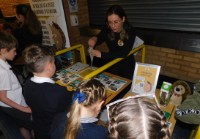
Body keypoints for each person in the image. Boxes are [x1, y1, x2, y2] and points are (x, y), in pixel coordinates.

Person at [23, 44, 72, 139]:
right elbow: (70, 109)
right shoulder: (58, 92)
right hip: (55, 131)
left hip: (39, 127)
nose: (55, 64)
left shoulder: (27, 84)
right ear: (49, 66)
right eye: (54, 62)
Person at [88, 5, 139, 80]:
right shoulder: (107, 28)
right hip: (113, 62)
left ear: (123, 19)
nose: (113, 26)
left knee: (126, 87)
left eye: (116, 22)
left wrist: (101, 54)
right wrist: (94, 39)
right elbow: (100, 36)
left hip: (127, 64)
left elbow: (124, 53)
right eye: (110, 22)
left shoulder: (130, 30)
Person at [0, 31, 33, 139]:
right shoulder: (3, 72)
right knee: (33, 125)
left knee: (21, 125)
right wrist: (23, 109)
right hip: (15, 105)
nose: (16, 53)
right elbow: (2, 97)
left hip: (7, 106)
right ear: (4, 50)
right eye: (14, 51)